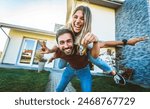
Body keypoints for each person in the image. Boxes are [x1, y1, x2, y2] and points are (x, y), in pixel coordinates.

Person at [56, 5, 146, 85]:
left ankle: (113, 73)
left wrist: (127, 42)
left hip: (79, 57)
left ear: (86, 22)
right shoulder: (64, 30)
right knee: (60, 66)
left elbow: (105, 43)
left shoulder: (87, 37)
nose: (77, 21)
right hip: (65, 56)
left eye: (82, 18)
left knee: (92, 56)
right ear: (72, 18)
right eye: (75, 17)